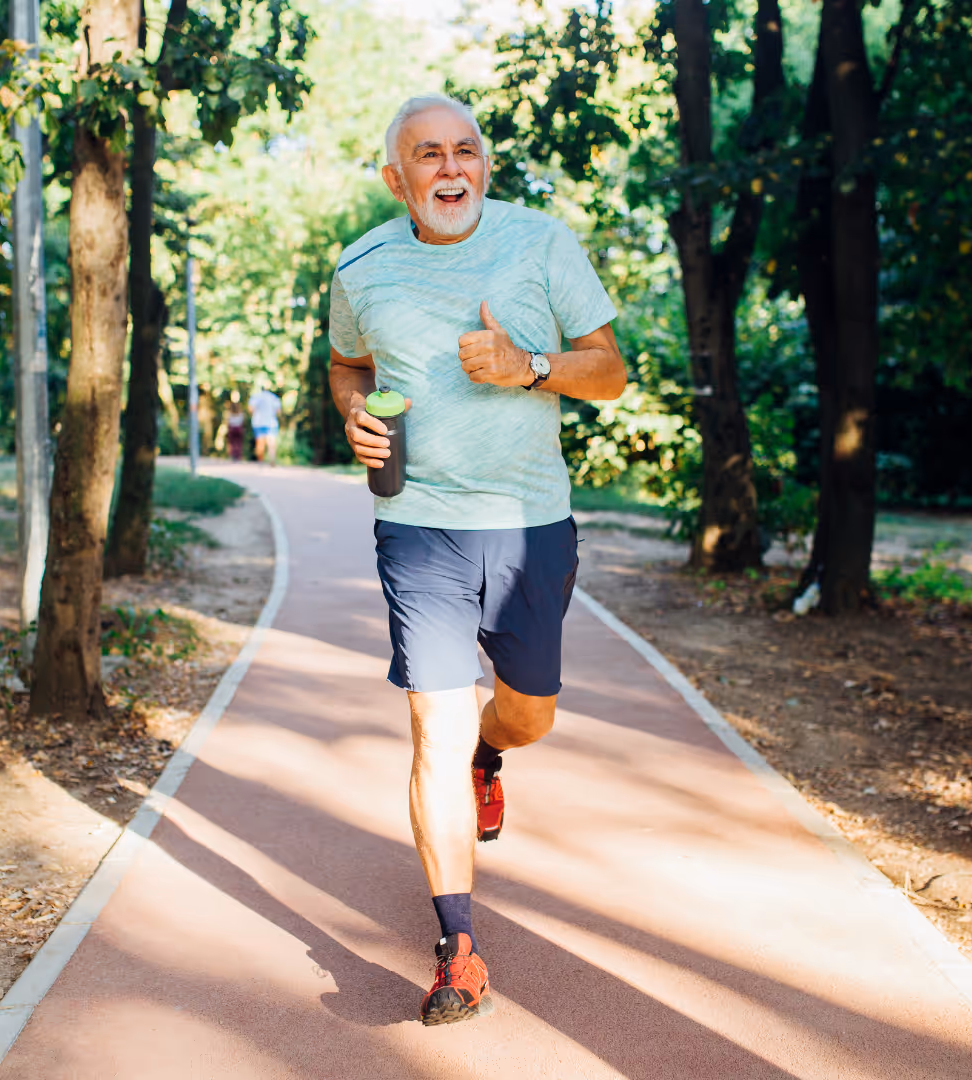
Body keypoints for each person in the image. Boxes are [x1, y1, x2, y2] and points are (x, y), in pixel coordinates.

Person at [328, 94, 626, 1026]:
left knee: (526, 716)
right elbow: (344, 364)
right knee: (432, 732)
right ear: (396, 178)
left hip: (532, 522)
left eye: (465, 152)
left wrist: (529, 366)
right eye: (428, 155)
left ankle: (494, 755)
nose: (450, 169)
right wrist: (353, 413)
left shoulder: (542, 244)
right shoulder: (362, 265)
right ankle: (457, 948)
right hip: (417, 525)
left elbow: (611, 373)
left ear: (484, 167)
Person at [248, 384, 281, 463]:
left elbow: (251, 409)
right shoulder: (274, 398)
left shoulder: (255, 397)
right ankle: (272, 459)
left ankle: (260, 461)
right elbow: (278, 412)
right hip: (271, 422)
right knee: (271, 442)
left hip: (258, 423)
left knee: (260, 443)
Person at [226, 391, 245, 461]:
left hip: (232, 427)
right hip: (238, 427)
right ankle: (237, 455)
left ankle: (233, 455)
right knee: (238, 442)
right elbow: (242, 419)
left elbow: (228, 419)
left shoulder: (230, 409)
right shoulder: (239, 408)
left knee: (232, 442)